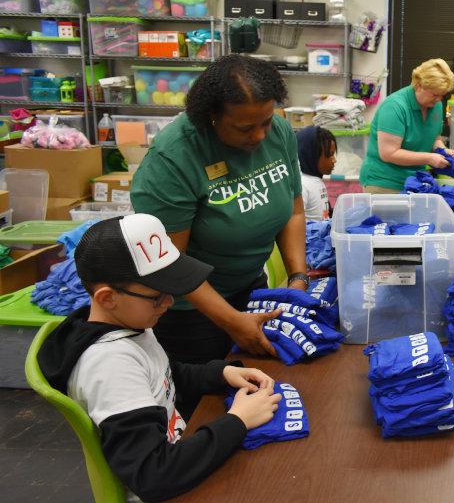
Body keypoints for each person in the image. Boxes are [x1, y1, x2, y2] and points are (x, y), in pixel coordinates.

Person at [37, 214, 282, 502]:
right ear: (107, 298)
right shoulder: (111, 366)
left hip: (180, 454)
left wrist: (220, 373)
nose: (169, 302)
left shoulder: (131, 323)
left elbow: (164, 375)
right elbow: (153, 475)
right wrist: (238, 421)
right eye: (157, 296)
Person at [131, 54, 309, 365]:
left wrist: (297, 278)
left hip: (250, 287)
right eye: (244, 128)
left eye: (266, 122)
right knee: (209, 402)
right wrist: (230, 321)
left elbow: (294, 211)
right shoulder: (174, 158)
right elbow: (170, 262)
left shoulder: (278, 133)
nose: (260, 136)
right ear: (210, 116)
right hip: (191, 309)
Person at [360, 58, 454, 193]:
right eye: (435, 94)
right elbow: (389, 153)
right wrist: (429, 158)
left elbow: (435, 138)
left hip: (416, 182)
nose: (439, 100)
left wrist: (443, 151)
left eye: (442, 95)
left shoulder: (435, 105)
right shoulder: (394, 107)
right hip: (384, 182)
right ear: (418, 85)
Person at [296, 125, 336, 220]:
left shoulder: (315, 180)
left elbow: (324, 214)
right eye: (329, 155)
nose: (334, 160)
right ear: (312, 155)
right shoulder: (302, 185)